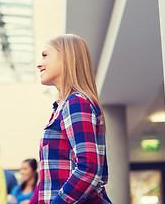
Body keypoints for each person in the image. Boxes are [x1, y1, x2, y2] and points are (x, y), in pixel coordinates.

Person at [36, 34, 112, 203]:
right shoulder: (62, 106)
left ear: (66, 57)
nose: (39, 64)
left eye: (45, 55)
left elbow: (89, 169)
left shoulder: (76, 102)